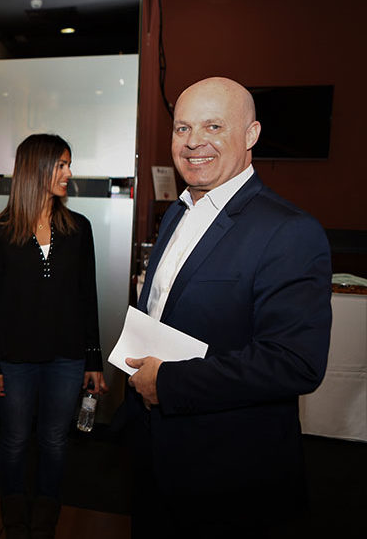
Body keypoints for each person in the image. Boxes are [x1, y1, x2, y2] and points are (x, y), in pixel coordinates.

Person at [125, 77, 332, 538]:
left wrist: (168, 383)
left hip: (228, 472)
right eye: (182, 128)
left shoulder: (289, 231)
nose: (193, 141)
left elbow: (295, 363)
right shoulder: (176, 212)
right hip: (154, 453)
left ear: (251, 134)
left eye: (213, 126)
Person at [0, 134, 107, 539]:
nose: (69, 173)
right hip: (14, 360)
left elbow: (88, 297)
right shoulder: (0, 231)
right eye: (61, 165)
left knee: (54, 441)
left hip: (67, 358)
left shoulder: (79, 229)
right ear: (37, 169)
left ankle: (46, 519)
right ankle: (14, 519)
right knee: (15, 441)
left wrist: (93, 359)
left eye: (69, 164)